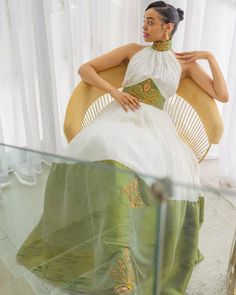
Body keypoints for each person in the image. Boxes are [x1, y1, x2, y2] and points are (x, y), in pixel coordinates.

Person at [16, 1, 229, 294]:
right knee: (108, 150)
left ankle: (128, 249)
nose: (144, 26)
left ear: (168, 27)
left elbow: (222, 95)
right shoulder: (132, 51)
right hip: (120, 114)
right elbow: (85, 69)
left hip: (156, 126)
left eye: (151, 21)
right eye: (144, 20)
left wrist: (209, 56)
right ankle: (115, 250)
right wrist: (114, 92)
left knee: (149, 170)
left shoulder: (186, 64)